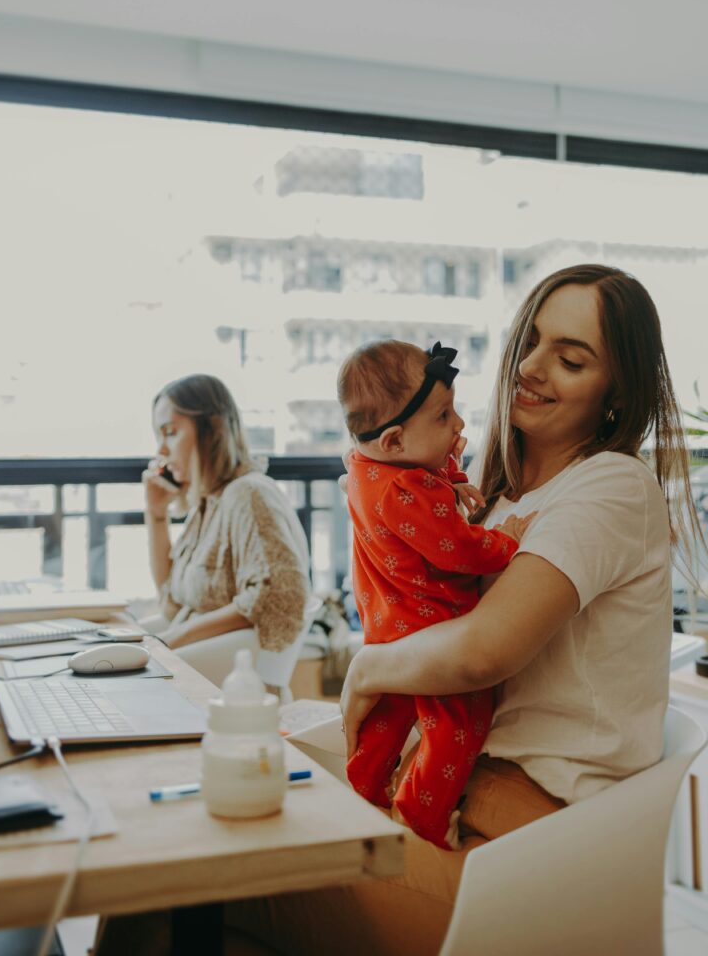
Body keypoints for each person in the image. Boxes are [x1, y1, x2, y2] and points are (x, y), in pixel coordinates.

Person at [226, 263, 705, 956]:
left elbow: (484, 649)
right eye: (532, 341)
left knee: (206, 883)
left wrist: (365, 670)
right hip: (462, 802)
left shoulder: (611, 487)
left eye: (570, 359)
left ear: (615, 392)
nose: (532, 368)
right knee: (220, 836)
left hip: (524, 844)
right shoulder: (498, 499)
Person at [337, 338, 533, 849]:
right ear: (396, 440)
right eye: (445, 416)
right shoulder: (407, 490)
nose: (460, 425)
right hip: (431, 626)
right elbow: (458, 550)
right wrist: (508, 541)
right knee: (457, 721)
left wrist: (453, 477)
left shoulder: (365, 468)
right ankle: (421, 812)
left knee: (389, 711)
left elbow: (426, 480)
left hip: (387, 618)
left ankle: (363, 787)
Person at [140, 373, 311, 685]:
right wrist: (156, 514)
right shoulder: (210, 503)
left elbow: (280, 596)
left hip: (230, 688)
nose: (160, 452)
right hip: (196, 667)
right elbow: (169, 600)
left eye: (170, 433)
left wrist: (174, 639)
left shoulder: (248, 494)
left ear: (212, 429)